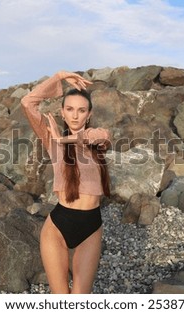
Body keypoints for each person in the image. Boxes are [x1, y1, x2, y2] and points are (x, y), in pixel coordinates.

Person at [21, 70, 111, 294]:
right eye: (69, 109)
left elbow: (101, 135)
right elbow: (27, 102)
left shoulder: (97, 141)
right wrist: (58, 77)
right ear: (61, 112)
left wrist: (65, 138)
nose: (75, 116)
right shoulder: (52, 140)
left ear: (89, 115)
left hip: (91, 226)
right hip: (59, 225)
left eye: (81, 110)